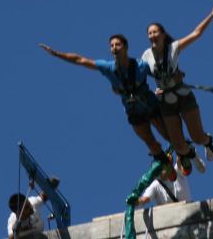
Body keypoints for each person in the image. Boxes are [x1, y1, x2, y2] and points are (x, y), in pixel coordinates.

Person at [39, 35, 175, 178]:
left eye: (117, 45)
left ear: (126, 47)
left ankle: (183, 152)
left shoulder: (141, 65)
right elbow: (80, 60)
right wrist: (57, 54)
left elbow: (160, 75)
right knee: (150, 142)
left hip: (149, 104)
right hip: (134, 111)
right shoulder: (108, 68)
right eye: (112, 46)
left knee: (168, 134)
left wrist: (167, 86)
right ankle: (164, 162)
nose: (114, 48)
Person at [141, 0, 213, 176]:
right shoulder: (146, 56)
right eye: (149, 33)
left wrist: (211, 15)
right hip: (165, 101)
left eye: (155, 32)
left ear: (162, 34)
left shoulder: (173, 48)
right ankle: (191, 155)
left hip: (182, 95)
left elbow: (196, 33)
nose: (152, 35)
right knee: (178, 145)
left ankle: (207, 143)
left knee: (197, 136)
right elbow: (139, 75)